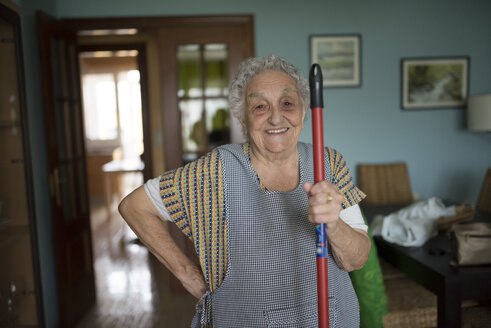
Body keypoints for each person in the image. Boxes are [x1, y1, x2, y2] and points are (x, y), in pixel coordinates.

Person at [119, 54, 371, 327]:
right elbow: (134, 207)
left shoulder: (329, 164)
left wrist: (333, 224)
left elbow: (356, 260)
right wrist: (186, 273)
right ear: (242, 117)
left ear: (303, 110)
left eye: (287, 103)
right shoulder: (214, 171)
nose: (276, 117)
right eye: (260, 106)